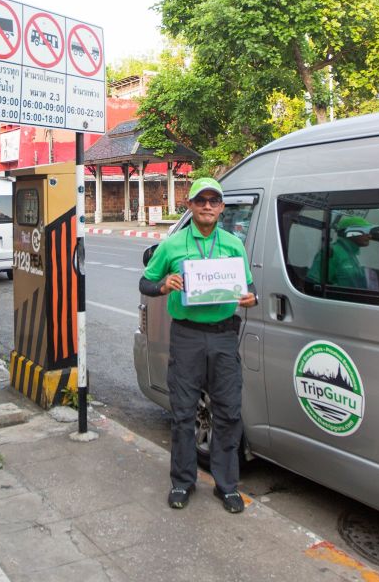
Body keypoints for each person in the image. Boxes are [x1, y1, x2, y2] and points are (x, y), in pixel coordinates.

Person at [139, 177, 258, 513]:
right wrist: (163, 285)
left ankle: (227, 485)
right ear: (189, 205)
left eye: (214, 201)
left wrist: (251, 298)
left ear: (221, 208)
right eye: (201, 200)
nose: (207, 206)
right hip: (187, 335)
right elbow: (145, 282)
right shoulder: (173, 245)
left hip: (223, 335)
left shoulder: (233, 245)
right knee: (183, 413)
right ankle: (182, 482)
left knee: (228, 412)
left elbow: (248, 287)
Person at [307, 215, 377, 288]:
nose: (370, 236)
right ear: (350, 233)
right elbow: (313, 284)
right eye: (365, 231)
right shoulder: (333, 252)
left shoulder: (351, 255)